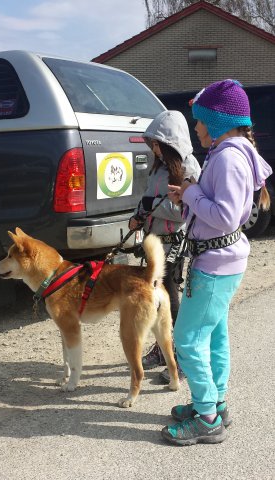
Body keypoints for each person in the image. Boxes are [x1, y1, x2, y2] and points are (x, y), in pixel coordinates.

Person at [161, 79, 273, 446]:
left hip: (214, 263)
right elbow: (221, 207)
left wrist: (191, 192)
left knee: (187, 338)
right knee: (214, 334)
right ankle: (215, 402)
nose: (196, 128)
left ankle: (207, 416)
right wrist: (191, 196)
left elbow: (224, 216)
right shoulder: (234, 152)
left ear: (219, 121)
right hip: (224, 259)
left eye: (200, 121)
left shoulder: (226, 157)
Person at [128, 110, 201, 381]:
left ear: (170, 142)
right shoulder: (159, 167)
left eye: (157, 143)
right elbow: (147, 198)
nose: (154, 148)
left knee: (170, 299)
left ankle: (180, 357)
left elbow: (184, 211)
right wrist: (137, 216)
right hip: (154, 244)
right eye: (152, 144)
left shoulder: (189, 167)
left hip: (174, 246)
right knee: (157, 298)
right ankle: (162, 348)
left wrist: (151, 209)